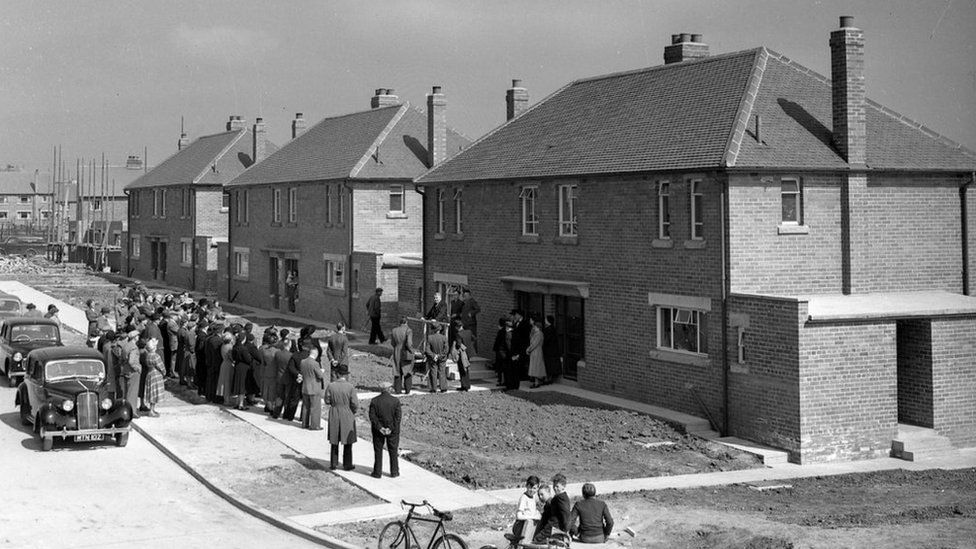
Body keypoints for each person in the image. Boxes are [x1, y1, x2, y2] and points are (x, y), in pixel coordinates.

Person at [324, 363, 358, 470]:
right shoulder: (350, 387)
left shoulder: (331, 386)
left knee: (334, 439)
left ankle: (333, 463)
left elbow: (327, 400)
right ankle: (347, 464)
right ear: (345, 375)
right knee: (348, 440)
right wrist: (353, 411)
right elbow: (355, 403)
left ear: (337, 374)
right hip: (347, 412)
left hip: (334, 411)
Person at [369, 381, 402, 478]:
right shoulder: (395, 401)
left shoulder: (374, 401)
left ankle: (377, 472)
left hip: (378, 431)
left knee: (378, 451)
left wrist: (380, 428)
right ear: (389, 389)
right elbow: (398, 417)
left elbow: (372, 417)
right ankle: (394, 472)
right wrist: (390, 428)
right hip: (393, 430)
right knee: (393, 450)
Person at [534, 473, 572, 544]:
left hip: (553, 527)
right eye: (554, 486)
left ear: (563, 486)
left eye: (557, 486)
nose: (555, 488)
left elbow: (566, 514)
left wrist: (566, 530)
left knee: (537, 539)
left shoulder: (561, 498)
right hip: (552, 526)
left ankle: (556, 541)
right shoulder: (559, 497)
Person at [299, 346, 326, 430]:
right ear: (316, 354)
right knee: (315, 408)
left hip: (305, 387)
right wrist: (322, 371)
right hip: (314, 388)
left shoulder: (303, 362)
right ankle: (314, 425)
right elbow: (320, 376)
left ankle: (304, 423)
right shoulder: (315, 364)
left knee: (306, 407)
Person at [389, 317, 414, 394]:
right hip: (405, 352)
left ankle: (398, 390)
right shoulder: (409, 330)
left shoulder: (394, 330)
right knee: (407, 370)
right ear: (406, 322)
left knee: (397, 370)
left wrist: (396, 347)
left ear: (400, 323)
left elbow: (392, 343)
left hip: (397, 351)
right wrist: (412, 351)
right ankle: (407, 390)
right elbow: (409, 343)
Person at [120, 329, 141, 417]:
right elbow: (131, 361)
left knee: (127, 391)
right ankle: (132, 411)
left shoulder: (126, 345)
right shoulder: (134, 347)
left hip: (126, 370)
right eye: (137, 336)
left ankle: (126, 409)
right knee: (133, 392)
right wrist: (137, 368)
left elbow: (123, 358)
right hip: (133, 371)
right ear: (134, 337)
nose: (138, 337)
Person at [508, 310, 530, 391]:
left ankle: (515, 386)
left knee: (516, 369)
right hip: (514, 349)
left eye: (516, 315)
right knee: (512, 368)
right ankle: (512, 385)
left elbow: (524, 340)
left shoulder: (524, 324)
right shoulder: (516, 323)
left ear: (520, 315)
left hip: (519, 350)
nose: (515, 316)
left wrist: (519, 353)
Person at [143, 338, 165, 417]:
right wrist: (164, 372)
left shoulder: (148, 355)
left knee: (151, 392)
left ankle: (152, 409)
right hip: (156, 374)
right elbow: (161, 366)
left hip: (149, 373)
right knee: (154, 393)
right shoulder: (156, 356)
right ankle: (151, 410)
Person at [424, 323, 449, 393]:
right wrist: (440, 356)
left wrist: (434, 355)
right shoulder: (444, 338)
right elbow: (446, 350)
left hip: (433, 358)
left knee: (433, 372)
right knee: (442, 372)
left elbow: (427, 349)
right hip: (442, 358)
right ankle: (443, 387)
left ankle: (433, 388)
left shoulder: (430, 337)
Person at [231, 332, 253, 410]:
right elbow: (248, 359)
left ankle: (237, 403)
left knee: (238, 385)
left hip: (237, 366)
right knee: (242, 386)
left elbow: (233, 357)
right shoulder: (243, 349)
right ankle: (241, 404)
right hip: (244, 368)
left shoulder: (234, 347)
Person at [451, 319, 473, 391]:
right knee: (466, 369)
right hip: (468, 353)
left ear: (457, 327)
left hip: (462, 354)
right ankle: (468, 385)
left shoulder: (458, 334)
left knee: (462, 369)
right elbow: (473, 339)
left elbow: (458, 345)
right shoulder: (469, 332)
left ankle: (464, 385)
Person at [216, 331, 236, 405]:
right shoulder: (230, 347)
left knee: (223, 382)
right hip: (229, 365)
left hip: (223, 364)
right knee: (228, 382)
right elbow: (231, 357)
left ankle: (225, 400)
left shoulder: (222, 346)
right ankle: (227, 401)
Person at [527, 315, 546, 388]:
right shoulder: (537, 334)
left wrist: (528, 349)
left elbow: (534, 343)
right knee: (535, 367)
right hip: (535, 352)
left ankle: (537, 382)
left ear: (537, 327)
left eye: (535, 327)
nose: (534, 328)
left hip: (537, 352)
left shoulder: (539, 334)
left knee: (536, 367)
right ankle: (537, 382)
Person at [542, 315, 562, 385]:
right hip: (552, 350)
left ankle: (548, 379)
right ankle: (549, 378)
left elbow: (546, 340)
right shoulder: (552, 329)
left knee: (549, 365)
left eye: (545, 319)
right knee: (550, 364)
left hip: (549, 350)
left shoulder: (549, 330)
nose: (544, 320)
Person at [492, 317, 512, 388]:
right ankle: (504, 381)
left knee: (501, 367)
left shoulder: (501, 332)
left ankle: (502, 380)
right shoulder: (507, 333)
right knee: (504, 367)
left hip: (500, 351)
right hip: (503, 352)